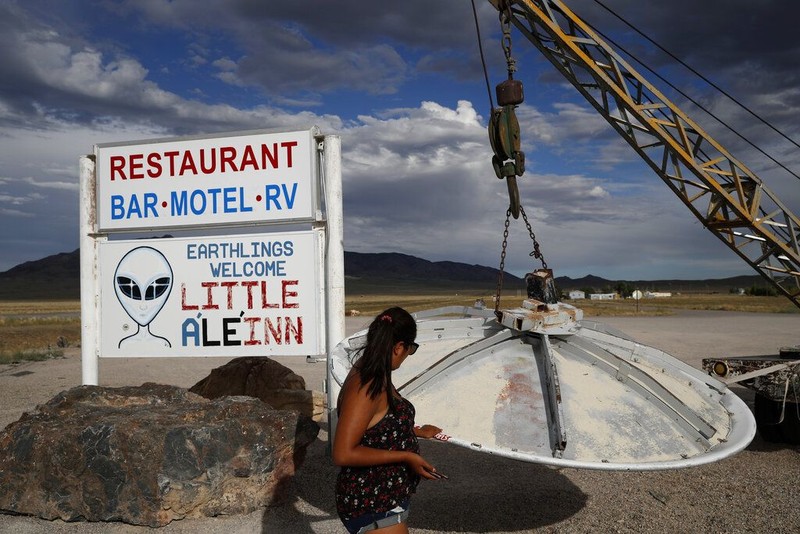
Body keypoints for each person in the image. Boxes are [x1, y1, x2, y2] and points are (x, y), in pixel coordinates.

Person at [333, 306, 443, 534]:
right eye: (411, 349)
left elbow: (376, 423)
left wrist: (413, 431)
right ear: (399, 347)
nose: (408, 355)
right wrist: (407, 456)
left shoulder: (375, 369)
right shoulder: (367, 385)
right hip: (372, 503)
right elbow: (343, 453)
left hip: (384, 498)